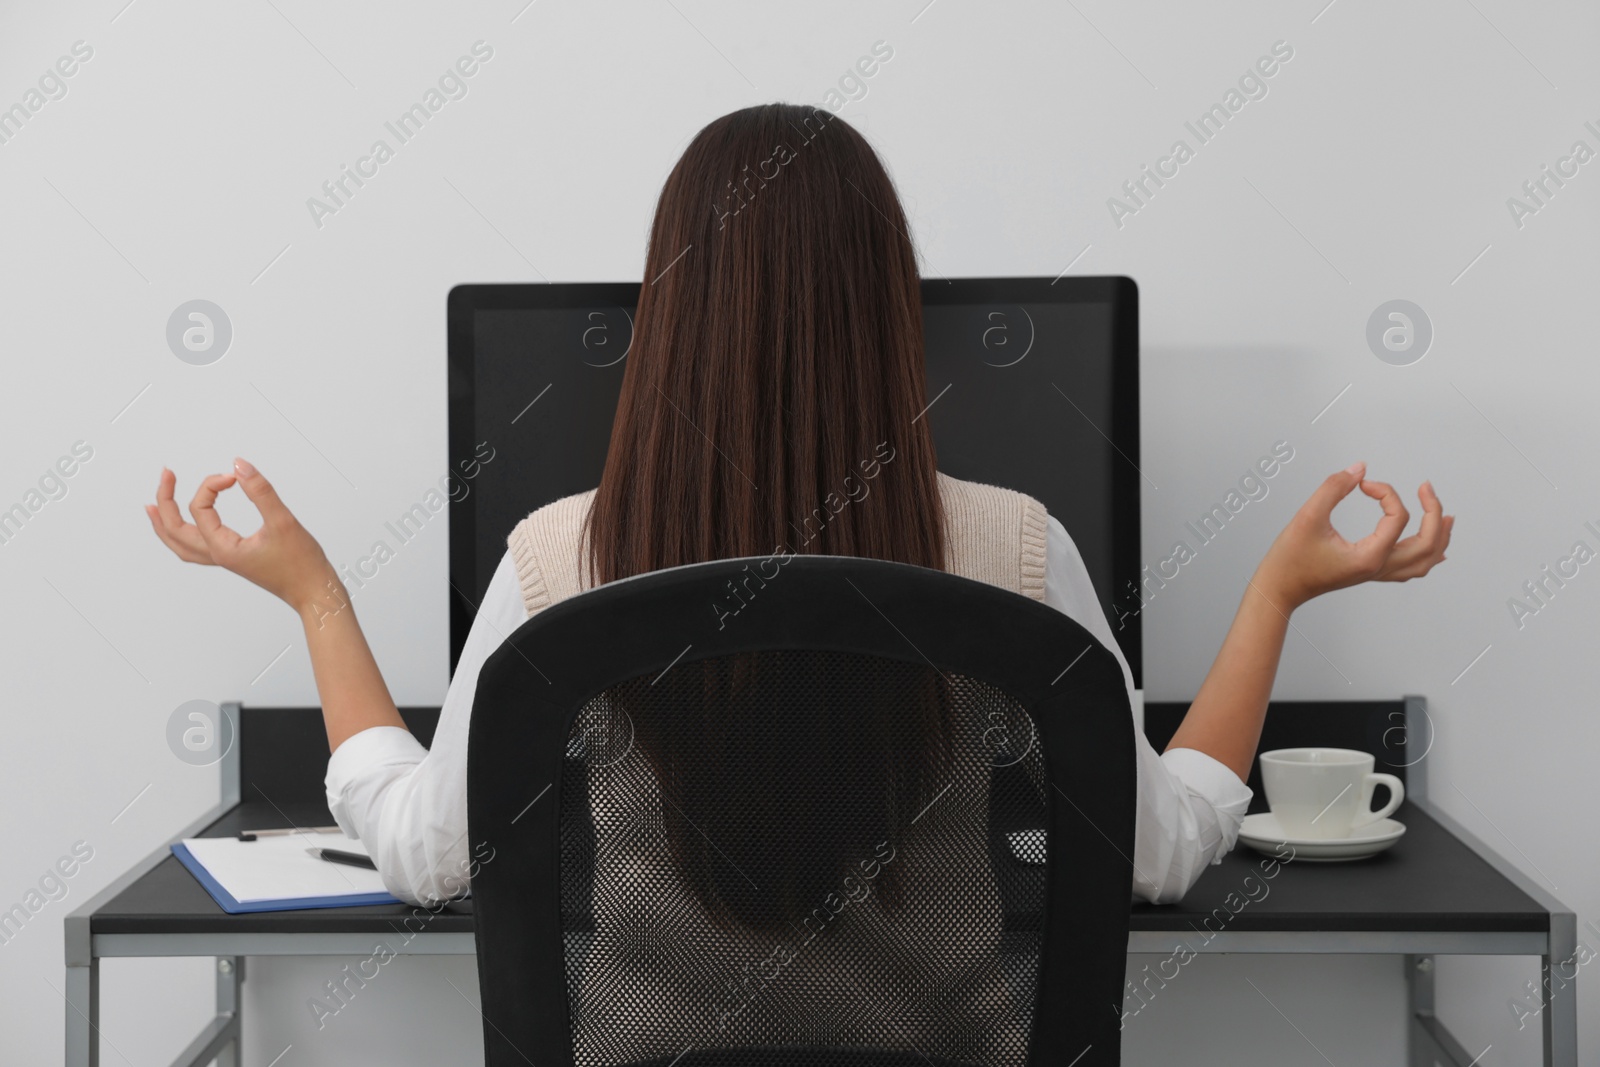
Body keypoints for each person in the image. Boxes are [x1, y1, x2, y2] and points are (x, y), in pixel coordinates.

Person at [145, 104, 1452, 917]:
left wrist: (320, 598)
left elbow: (432, 859)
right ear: (894, 320)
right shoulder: (1015, 550)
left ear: (666, 321)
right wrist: (1274, 598)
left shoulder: (560, 558)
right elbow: (1158, 860)